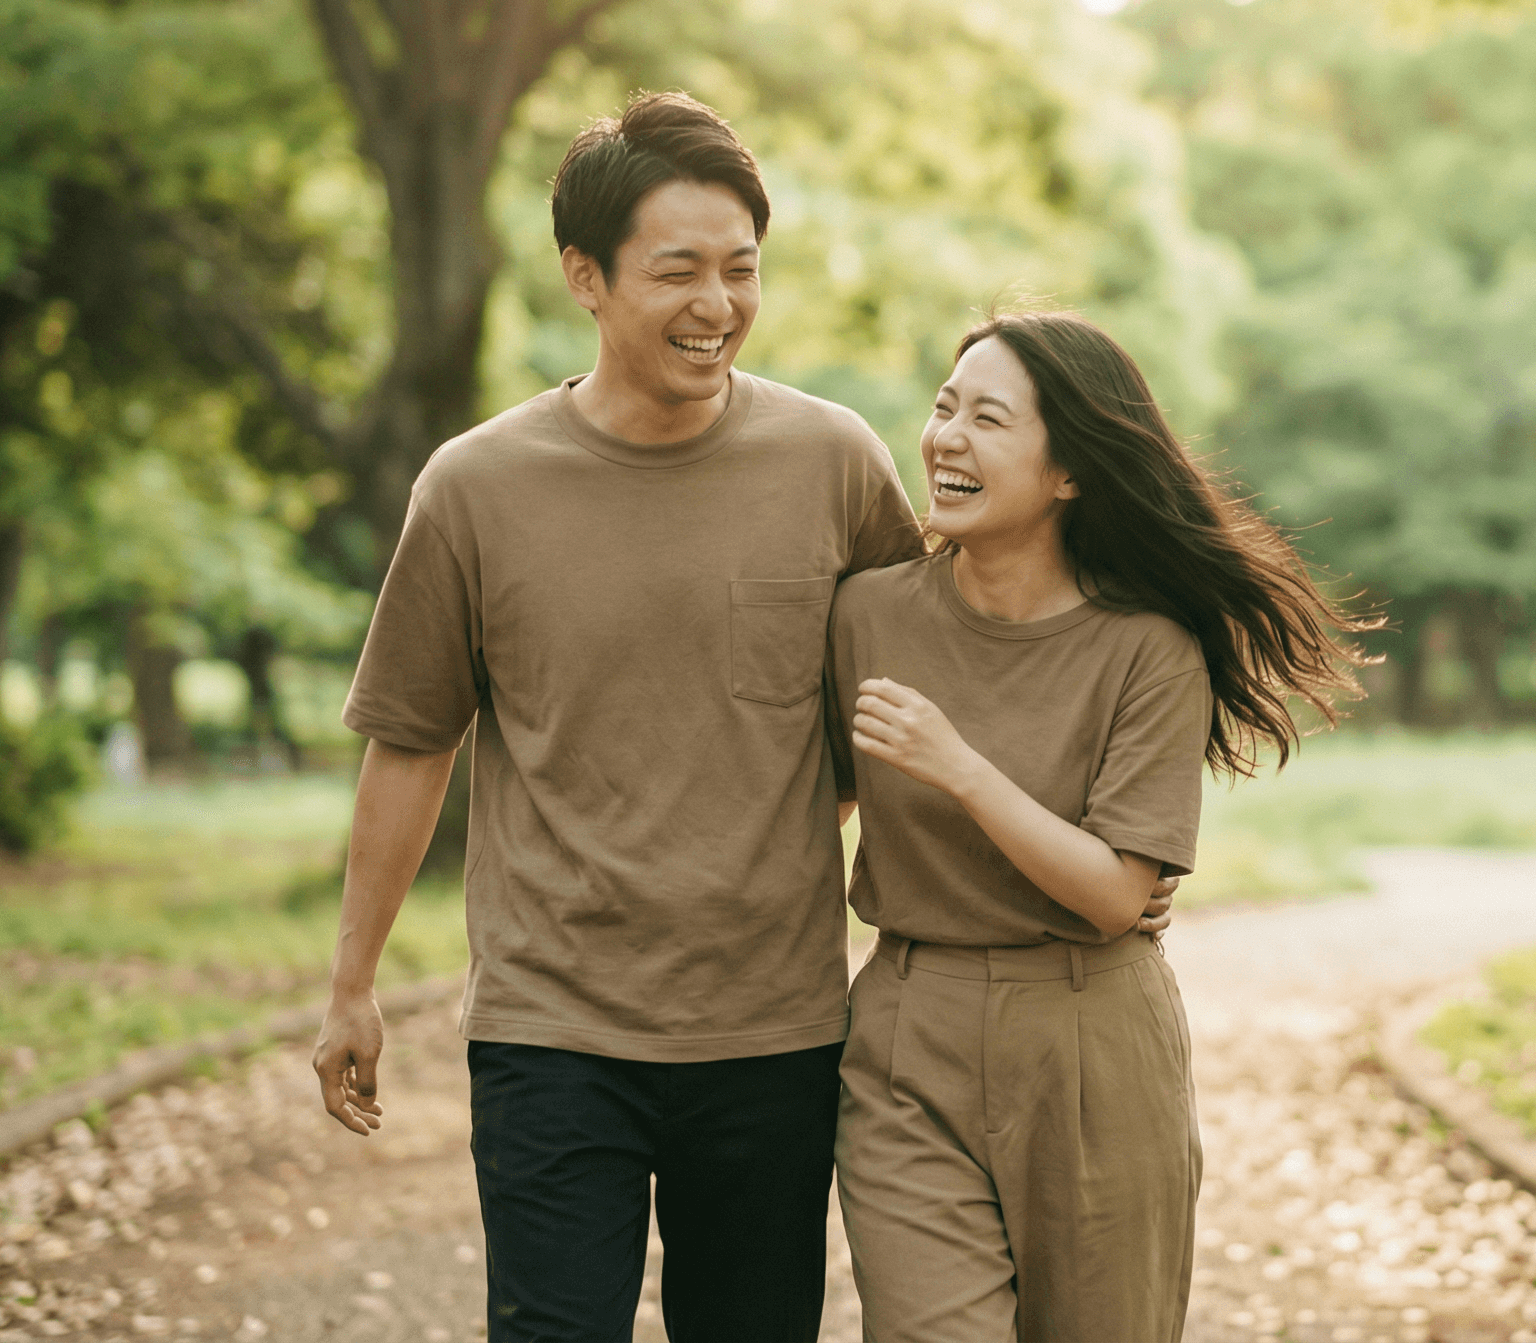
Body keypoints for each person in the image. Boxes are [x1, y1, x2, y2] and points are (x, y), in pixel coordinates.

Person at [308, 94, 1171, 1343]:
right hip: (552, 1025)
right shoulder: (476, 487)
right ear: (585, 278)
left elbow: (946, 662)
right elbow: (412, 738)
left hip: (774, 1029)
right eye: (678, 271)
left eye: (740, 269)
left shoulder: (830, 463)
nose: (716, 304)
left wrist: (1105, 850)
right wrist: (351, 985)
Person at [829, 310, 1370, 1343]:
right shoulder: (865, 615)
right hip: (908, 1032)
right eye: (944, 408)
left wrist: (959, 769)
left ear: (1069, 472)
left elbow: (1117, 893)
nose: (946, 438)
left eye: (988, 419)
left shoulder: (1147, 650)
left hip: (1091, 1046)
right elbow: (813, 797)